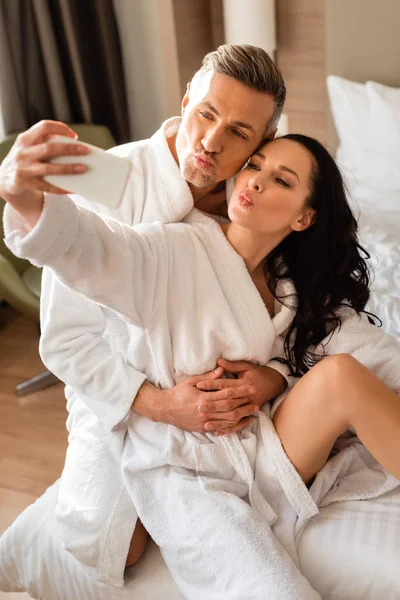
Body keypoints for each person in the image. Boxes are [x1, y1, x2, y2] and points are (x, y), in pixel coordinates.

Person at [4, 134, 400, 599]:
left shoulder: (293, 286)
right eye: (254, 165)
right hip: (196, 461)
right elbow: (98, 250)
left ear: (304, 217)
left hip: (262, 445)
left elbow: (368, 347)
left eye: (281, 180)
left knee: (344, 374)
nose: (253, 182)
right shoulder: (173, 250)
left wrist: (276, 375)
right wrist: (28, 201)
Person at [0, 44, 290, 585]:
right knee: (109, 546)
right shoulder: (109, 180)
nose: (211, 142)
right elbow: (67, 342)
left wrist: (273, 376)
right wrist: (157, 404)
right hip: (123, 391)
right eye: (206, 114)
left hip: (224, 399)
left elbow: (299, 309)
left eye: (239, 133)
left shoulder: (256, 198)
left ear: (262, 144)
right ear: (186, 101)